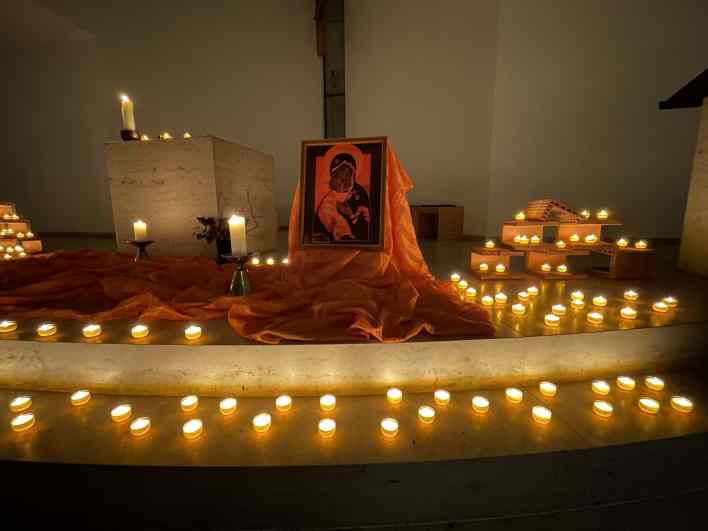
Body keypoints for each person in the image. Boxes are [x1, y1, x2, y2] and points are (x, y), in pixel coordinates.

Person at [314, 152, 371, 242]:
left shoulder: (360, 193)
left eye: (347, 174)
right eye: (338, 175)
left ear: (353, 174)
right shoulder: (330, 196)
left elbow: (367, 225)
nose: (343, 180)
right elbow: (323, 215)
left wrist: (351, 215)